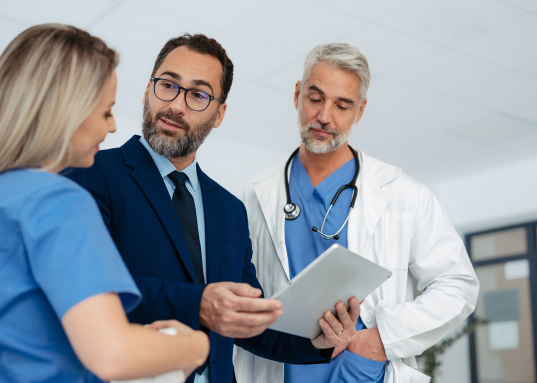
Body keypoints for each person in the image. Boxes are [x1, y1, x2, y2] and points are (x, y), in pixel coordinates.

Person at [65, 33, 360, 383]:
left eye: (198, 95)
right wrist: (199, 303)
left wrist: (319, 341)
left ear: (219, 114)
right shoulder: (91, 175)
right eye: (168, 85)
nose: (176, 104)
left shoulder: (230, 209)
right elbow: (90, 289)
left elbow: (247, 323)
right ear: (147, 90)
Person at [233, 43, 480, 383]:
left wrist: (380, 340)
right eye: (315, 98)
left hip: (362, 372)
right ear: (297, 95)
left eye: (342, 105)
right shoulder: (251, 196)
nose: (324, 116)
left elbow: (458, 285)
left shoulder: (403, 194)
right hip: (278, 372)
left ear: (360, 110)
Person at [0, 24, 210, 383]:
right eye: (106, 111)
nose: (112, 127)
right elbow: (113, 354)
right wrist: (195, 347)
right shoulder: (57, 200)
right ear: (67, 112)